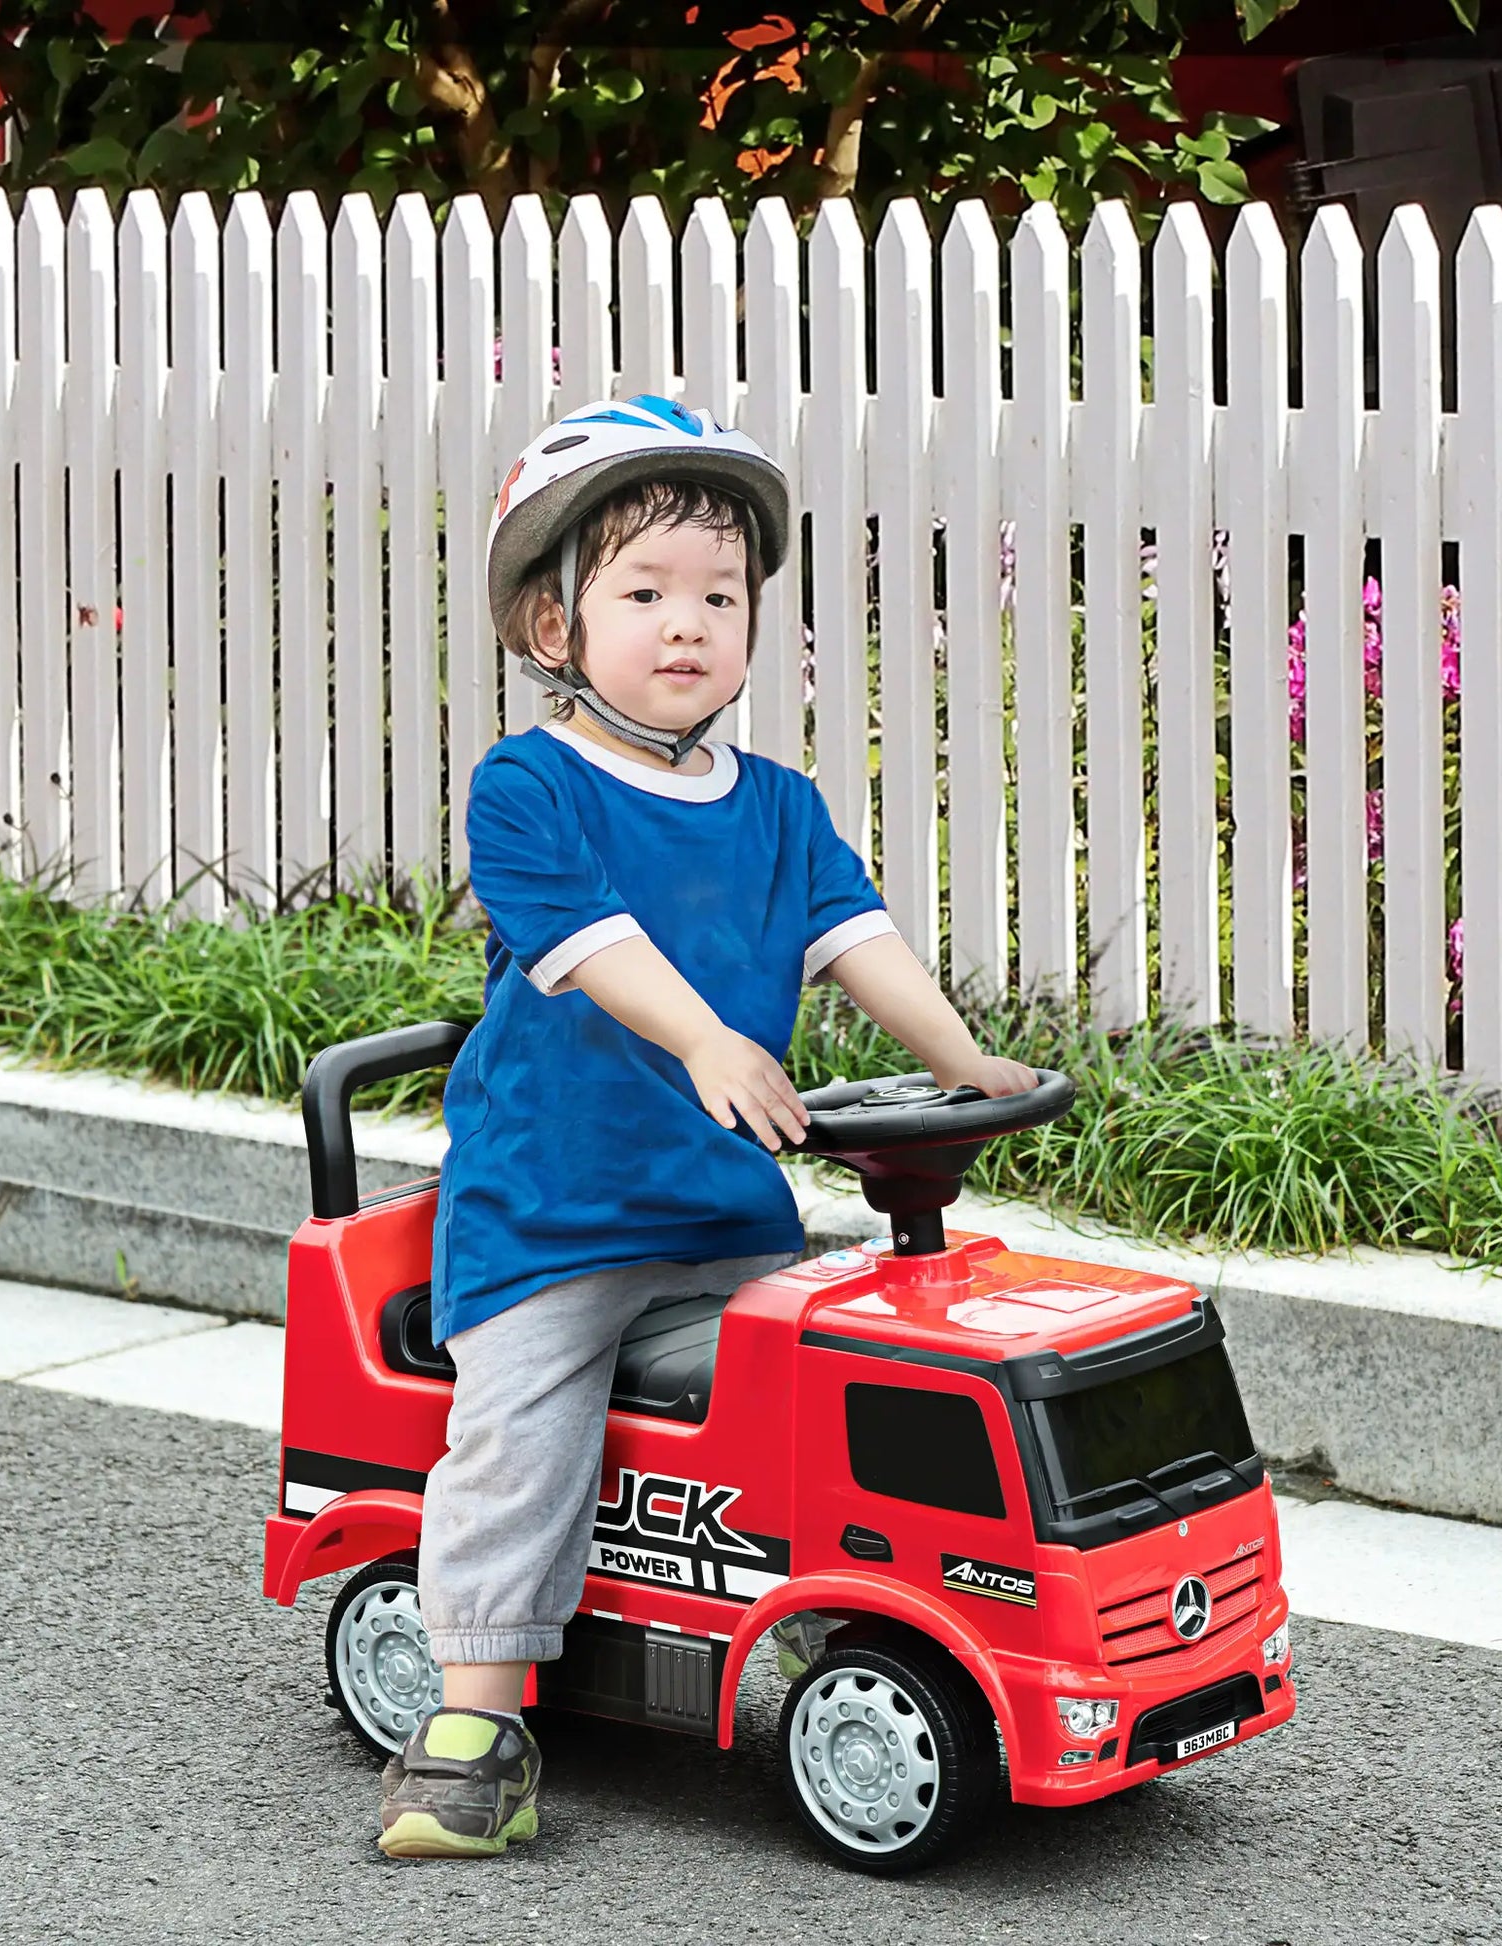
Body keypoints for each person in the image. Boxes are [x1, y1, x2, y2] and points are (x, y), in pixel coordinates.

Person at [377, 394, 1037, 1858]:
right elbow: (592, 945)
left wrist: (961, 1058)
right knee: (524, 1422)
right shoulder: (529, 786)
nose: (687, 624)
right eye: (643, 591)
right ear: (554, 628)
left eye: (718, 597)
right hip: (555, 1219)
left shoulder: (781, 805)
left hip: (727, 1216)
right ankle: (473, 1721)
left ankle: (816, 1629)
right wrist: (707, 1033)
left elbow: (857, 936)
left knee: (862, 1367)